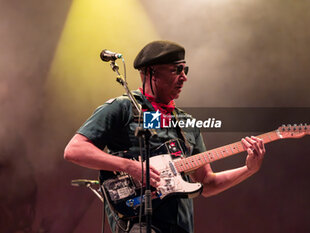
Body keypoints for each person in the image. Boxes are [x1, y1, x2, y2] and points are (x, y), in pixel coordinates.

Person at [64, 40, 266, 233]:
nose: (184, 77)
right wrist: (130, 167)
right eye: (177, 70)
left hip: (181, 227)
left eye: (185, 70)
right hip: (138, 221)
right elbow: (74, 150)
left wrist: (249, 169)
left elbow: (207, 183)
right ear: (152, 72)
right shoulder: (122, 108)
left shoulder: (187, 122)